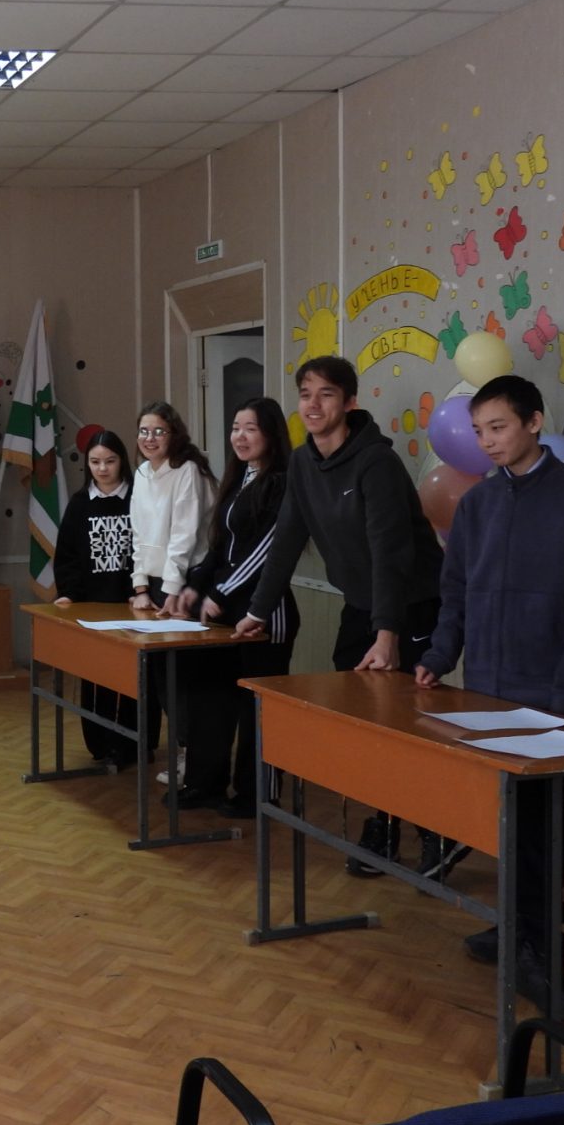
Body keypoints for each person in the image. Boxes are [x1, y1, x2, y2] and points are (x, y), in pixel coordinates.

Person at [414, 375, 564, 1020]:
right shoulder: (476, 504)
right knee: (505, 817)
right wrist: (438, 657)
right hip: (486, 690)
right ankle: (517, 926)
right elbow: (456, 594)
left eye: (498, 427)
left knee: (542, 823)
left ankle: (541, 949)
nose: (488, 442)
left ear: (533, 421)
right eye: (479, 431)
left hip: (549, 691)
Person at [236, 355, 450, 877]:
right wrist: (257, 610)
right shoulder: (303, 463)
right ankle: (385, 825)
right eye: (305, 394)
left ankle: (437, 832)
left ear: (350, 402)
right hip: (361, 605)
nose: (313, 405)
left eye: (326, 394)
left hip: (410, 606)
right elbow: (287, 539)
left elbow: (390, 552)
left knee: (409, 724)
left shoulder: (376, 463)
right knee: (363, 724)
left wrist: (387, 634)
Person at [174, 397, 299, 819]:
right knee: (210, 698)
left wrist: (221, 593)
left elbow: (267, 551)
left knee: (256, 709)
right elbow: (220, 547)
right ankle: (204, 783)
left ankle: (257, 796)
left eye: (250, 429)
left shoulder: (282, 482)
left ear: (270, 434)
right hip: (223, 615)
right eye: (235, 428)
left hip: (264, 616)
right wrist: (195, 587)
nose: (240, 437)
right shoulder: (240, 477)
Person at [127, 402, 214, 760]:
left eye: (159, 431)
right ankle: (183, 751)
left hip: (185, 582)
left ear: (173, 434)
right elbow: (138, 534)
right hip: (156, 583)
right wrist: (140, 586)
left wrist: (171, 592)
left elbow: (184, 536)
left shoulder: (187, 471)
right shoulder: (142, 473)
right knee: (160, 674)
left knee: (182, 676)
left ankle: (192, 756)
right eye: (144, 431)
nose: (150, 438)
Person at [52, 428, 138, 766]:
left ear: (122, 461)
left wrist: (140, 591)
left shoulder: (138, 497)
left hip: (132, 606)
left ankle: (133, 744)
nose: (102, 469)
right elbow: (67, 556)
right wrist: (68, 594)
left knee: (133, 679)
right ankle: (100, 744)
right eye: (95, 462)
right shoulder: (79, 504)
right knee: (97, 677)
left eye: (110, 461)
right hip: (91, 608)